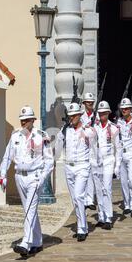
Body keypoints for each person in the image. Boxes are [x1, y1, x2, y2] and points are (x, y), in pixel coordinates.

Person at [0, 106, 54, 257]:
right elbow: (7, 156)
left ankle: (26, 243)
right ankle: (37, 241)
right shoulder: (15, 136)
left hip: (34, 176)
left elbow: (49, 161)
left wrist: (42, 177)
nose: (23, 123)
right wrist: (3, 174)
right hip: (19, 176)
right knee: (29, 209)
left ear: (32, 120)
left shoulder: (41, 136)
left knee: (30, 208)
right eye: (21, 120)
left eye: (26, 120)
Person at [55, 102, 96, 242]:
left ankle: (82, 228)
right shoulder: (66, 130)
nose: (71, 118)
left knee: (79, 196)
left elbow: (95, 143)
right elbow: (58, 147)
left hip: (82, 166)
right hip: (69, 167)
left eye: (74, 115)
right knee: (75, 199)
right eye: (70, 115)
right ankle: (80, 224)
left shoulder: (86, 129)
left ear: (79, 115)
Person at [92, 101, 121, 230]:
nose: (102, 115)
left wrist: (117, 166)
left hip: (109, 160)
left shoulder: (114, 128)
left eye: (104, 113)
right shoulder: (95, 127)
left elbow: (118, 148)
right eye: (100, 113)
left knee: (107, 188)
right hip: (97, 162)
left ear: (108, 113)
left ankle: (108, 217)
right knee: (98, 190)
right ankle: (101, 216)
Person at [80, 92, 96, 211]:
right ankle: (86, 198)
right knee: (85, 173)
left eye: (91, 102)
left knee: (93, 173)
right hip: (84, 147)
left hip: (95, 147)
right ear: (84, 103)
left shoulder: (97, 115)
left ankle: (90, 199)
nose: (90, 103)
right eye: (88, 102)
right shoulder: (80, 117)